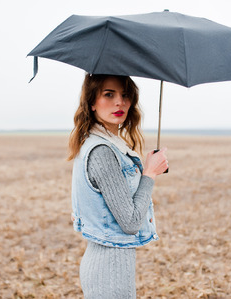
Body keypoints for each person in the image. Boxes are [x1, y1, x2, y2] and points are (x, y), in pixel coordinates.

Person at [67, 74, 168, 298]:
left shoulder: (96, 143)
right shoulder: (103, 151)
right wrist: (149, 173)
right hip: (110, 271)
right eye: (109, 94)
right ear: (92, 102)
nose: (119, 102)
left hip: (107, 263)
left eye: (125, 95)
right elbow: (131, 222)